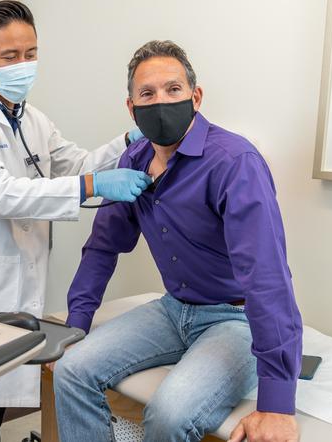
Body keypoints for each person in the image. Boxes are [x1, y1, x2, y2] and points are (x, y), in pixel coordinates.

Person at [53, 40, 303, 442]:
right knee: (70, 371)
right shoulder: (132, 161)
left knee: (169, 413)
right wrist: (76, 326)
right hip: (174, 309)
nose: (161, 102)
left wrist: (277, 404)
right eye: (147, 94)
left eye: (173, 90)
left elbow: (266, 276)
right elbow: (102, 247)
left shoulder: (234, 162)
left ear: (196, 96)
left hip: (234, 320)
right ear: (131, 109)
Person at [0, 0, 151, 441]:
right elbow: (0, 194)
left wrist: (127, 139)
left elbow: (78, 164)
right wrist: (94, 186)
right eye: (10, 57)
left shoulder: (33, 119)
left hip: (17, 292)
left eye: (31, 54)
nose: (23, 65)